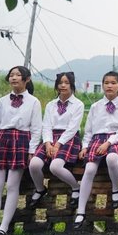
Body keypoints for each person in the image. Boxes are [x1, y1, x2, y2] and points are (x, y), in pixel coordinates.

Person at [73, 71, 118, 229]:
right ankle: (81, 211)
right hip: (96, 140)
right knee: (89, 169)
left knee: (112, 159)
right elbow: (89, 130)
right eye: (106, 83)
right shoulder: (95, 106)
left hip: (115, 140)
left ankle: (116, 189)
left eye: (113, 83)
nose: (109, 86)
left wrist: (108, 143)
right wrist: (85, 146)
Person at [0, 66, 42, 235]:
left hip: (21, 140)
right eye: (11, 75)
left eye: (18, 75)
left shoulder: (33, 102)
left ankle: (4, 227)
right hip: (1, 139)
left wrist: (31, 151)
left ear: (26, 79)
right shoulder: (2, 101)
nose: (14, 78)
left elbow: (36, 129)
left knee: (13, 185)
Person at [29, 72, 84, 210]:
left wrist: (58, 144)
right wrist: (48, 143)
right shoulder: (50, 105)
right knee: (34, 164)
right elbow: (46, 125)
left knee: (55, 166)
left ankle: (76, 187)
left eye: (66, 82)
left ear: (72, 85)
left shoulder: (78, 104)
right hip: (50, 137)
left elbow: (72, 128)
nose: (63, 85)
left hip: (68, 138)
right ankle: (40, 189)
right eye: (60, 82)